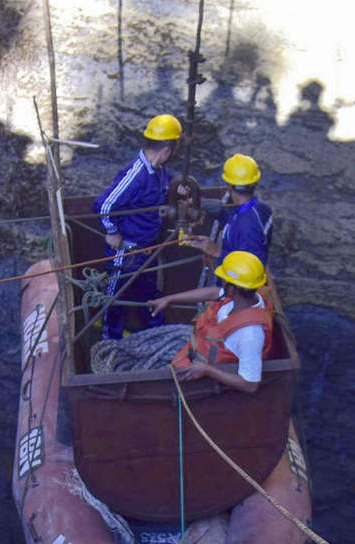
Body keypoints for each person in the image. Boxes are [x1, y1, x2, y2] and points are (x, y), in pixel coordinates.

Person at [93, 113, 182, 340]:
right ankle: (110, 341)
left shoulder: (158, 169)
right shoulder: (136, 175)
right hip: (127, 249)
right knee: (116, 296)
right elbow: (104, 205)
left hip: (146, 248)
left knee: (148, 291)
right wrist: (112, 233)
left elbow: (167, 178)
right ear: (166, 151)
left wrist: (178, 185)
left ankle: (155, 333)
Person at [147, 250, 272, 394]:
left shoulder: (249, 335)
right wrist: (169, 299)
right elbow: (213, 292)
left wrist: (208, 371)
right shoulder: (243, 299)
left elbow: (250, 385)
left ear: (232, 289)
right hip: (196, 357)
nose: (222, 283)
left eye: (224, 280)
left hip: (207, 376)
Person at [188, 153, 273, 269]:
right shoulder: (260, 208)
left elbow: (248, 269)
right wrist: (201, 202)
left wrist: (216, 252)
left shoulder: (247, 227)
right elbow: (231, 215)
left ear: (228, 185)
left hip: (234, 283)